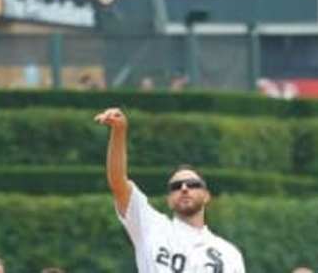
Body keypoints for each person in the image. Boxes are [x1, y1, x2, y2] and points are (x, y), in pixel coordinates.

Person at [94, 107, 246, 273]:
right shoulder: (151, 227)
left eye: (193, 184)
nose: (184, 188)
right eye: (176, 186)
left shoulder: (229, 254)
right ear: (169, 199)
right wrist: (119, 131)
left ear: (206, 196)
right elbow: (118, 182)